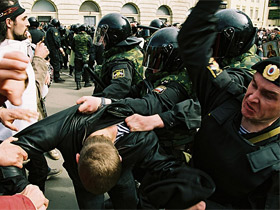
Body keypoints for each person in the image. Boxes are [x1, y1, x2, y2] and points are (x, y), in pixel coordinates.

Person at [0, 101, 215, 210]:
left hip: (122, 178)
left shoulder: (141, 137)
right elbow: (12, 150)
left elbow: (164, 167)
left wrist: (192, 195)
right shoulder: (65, 124)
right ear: (77, 159)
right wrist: (23, 191)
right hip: (87, 182)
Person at [177, 0, 280, 209]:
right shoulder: (225, 96)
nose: (251, 97)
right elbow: (192, 43)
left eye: (269, 96)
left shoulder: (275, 160)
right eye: (254, 85)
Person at [0, 0, 60, 192]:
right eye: (23, 18)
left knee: (39, 172)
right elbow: (32, 89)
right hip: (10, 138)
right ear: (9, 22)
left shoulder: (19, 48)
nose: (28, 24)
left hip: (28, 132)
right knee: (18, 188)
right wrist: (40, 61)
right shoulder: (5, 54)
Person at [92, 13, 144, 99]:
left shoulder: (121, 61)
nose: (101, 40)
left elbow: (120, 86)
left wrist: (99, 100)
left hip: (122, 106)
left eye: (103, 36)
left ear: (113, 37)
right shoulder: (131, 50)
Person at [72, 24, 93, 89]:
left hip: (77, 56)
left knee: (77, 70)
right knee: (86, 69)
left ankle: (78, 84)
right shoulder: (88, 37)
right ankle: (87, 82)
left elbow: (72, 46)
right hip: (85, 56)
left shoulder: (75, 37)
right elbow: (91, 46)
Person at [45, 18, 65, 83]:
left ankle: (54, 76)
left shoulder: (49, 29)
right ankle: (57, 77)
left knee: (53, 62)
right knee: (56, 63)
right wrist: (59, 47)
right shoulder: (54, 30)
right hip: (54, 49)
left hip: (50, 49)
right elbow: (56, 40)